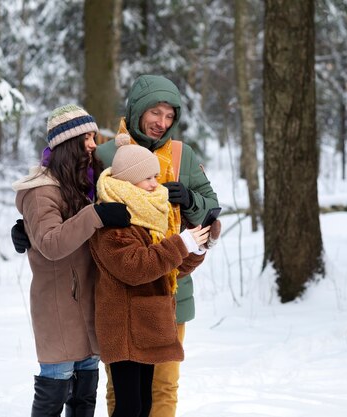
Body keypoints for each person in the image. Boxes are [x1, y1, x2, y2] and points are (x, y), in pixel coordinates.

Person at [94, 74, 220, 417]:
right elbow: (75, 208)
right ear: (137, 110)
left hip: (172, 288)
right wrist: (32, 226)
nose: (162, 123)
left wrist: (191, 199)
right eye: (156, 112)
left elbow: (211, 208)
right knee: (121, 393)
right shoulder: (105, 154)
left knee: (163, 386)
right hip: (123, 291)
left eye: (170, 116)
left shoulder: (182, 156)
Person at [11, 104, 131, 417]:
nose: (93, 144)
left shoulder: (84, 182)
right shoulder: (42, 191)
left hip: (89, 305)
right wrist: (96, 215)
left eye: (94, 136)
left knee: (84, 397)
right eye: (87, 138)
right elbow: (51, 244)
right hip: (59, 309)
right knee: (54, 393)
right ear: (67, 144)